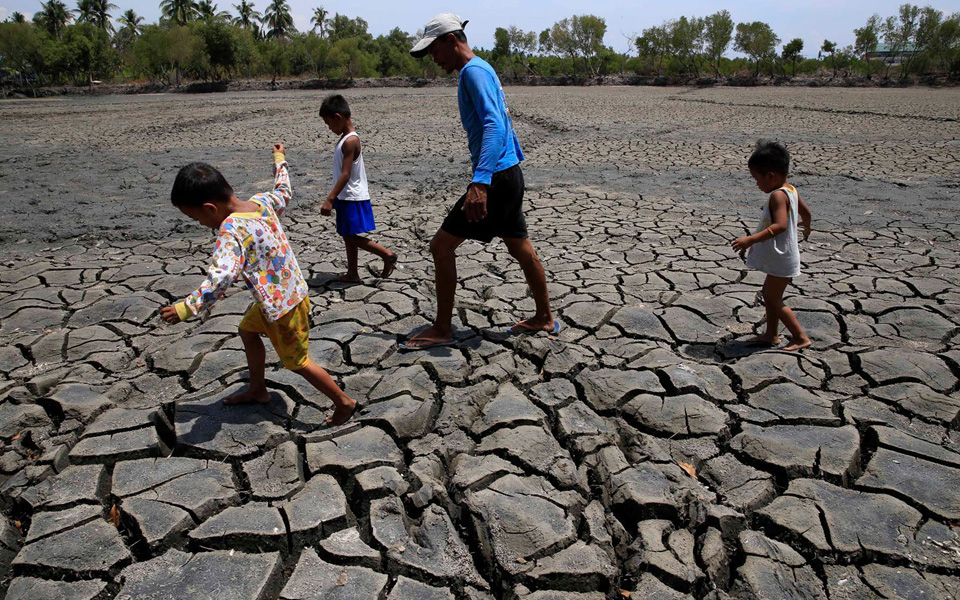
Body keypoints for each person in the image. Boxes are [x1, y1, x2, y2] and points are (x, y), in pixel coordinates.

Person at [159, 144, 358, 425]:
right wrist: (280, 160)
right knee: (247, 331)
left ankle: (344, 402)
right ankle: (258, 389)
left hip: (283, 308)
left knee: (298, 362)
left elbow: (222, 277)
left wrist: (186, 308)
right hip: (284, 296)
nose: (202, 224)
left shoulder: (231, 230)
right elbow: (284, 191)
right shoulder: (261, 202)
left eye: (197, 218)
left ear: (209, 208)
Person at [400, 13, 557, 350]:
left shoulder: (473, 72)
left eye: (434, 50)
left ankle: (442, 328)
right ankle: (544, 317)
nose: (433, 59)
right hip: (509, 172)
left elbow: (493, 125)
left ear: (451, 39)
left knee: (441, 246)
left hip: (497, 177)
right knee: (519, 246)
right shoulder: (481, 68)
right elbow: (503, 121)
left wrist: (481, 181)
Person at [732, 140, 813, 352]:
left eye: (757, 180)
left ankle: (799, 336)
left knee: (773, 298)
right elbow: (807, 212)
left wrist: (751, 239)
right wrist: (807, 225)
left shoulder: (778, 195)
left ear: (770, 176)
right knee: (769, 294)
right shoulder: (791, 190)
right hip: (784, 255)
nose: (757, 185)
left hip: (782, 257)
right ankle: (772, 334)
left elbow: (780, 226)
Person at [318, 94, 397, 283]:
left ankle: (386, 255)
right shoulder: (346, 139)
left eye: (329, 124)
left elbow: (345, 174)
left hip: (351, 196)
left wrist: (330, 198)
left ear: (338, 117)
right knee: (348, 235)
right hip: (347, 196)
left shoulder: (350, 141)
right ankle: (353, 273)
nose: (329, 129)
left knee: (349, 235)